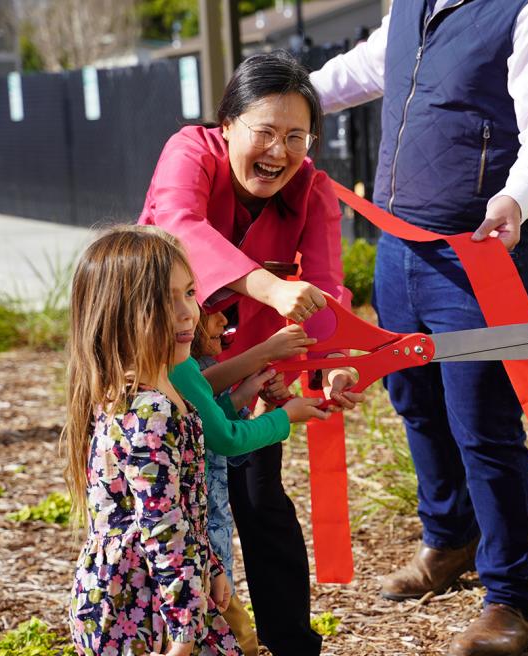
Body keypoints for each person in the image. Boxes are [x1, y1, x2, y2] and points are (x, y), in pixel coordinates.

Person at [310, 1, 528, 654]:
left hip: (485, 247)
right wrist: (282, 96)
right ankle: (450, 536)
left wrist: (517, 198)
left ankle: (512, 601)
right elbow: (367, 66)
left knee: (482, 417)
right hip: (399, 241)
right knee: (413, 396)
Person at [138, 50, 363, 656]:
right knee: (165, 507)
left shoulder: (312, 188)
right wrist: (268, 285)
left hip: (253, 365)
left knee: (260, 497)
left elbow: (325, 286)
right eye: (264, 131)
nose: (279, 151)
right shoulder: (189, 151)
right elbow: (178, 225)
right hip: (164, 359)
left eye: (296, 136)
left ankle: (290, 644)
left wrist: (335, 362)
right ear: (227, 124)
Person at [64, 225, 237, 656]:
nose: (187, 313)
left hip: (155, 591)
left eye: (190, 292)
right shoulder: (149, 413)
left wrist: (211, 565)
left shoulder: (161, 393)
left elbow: (181, 506)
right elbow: (162, 527)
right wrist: (183, 629)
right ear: (121, 313)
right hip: (137, 608)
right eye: (164, 300)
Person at [170, 312, 330, 656]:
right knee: (235, 636)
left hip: (202, 536)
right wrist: (284, 417)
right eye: (207, 305)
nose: (221, 317)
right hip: (198, 540)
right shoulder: (180, 368)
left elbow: (204, 423)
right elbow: (225, 439)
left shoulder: (171, 366)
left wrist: (243, 396)